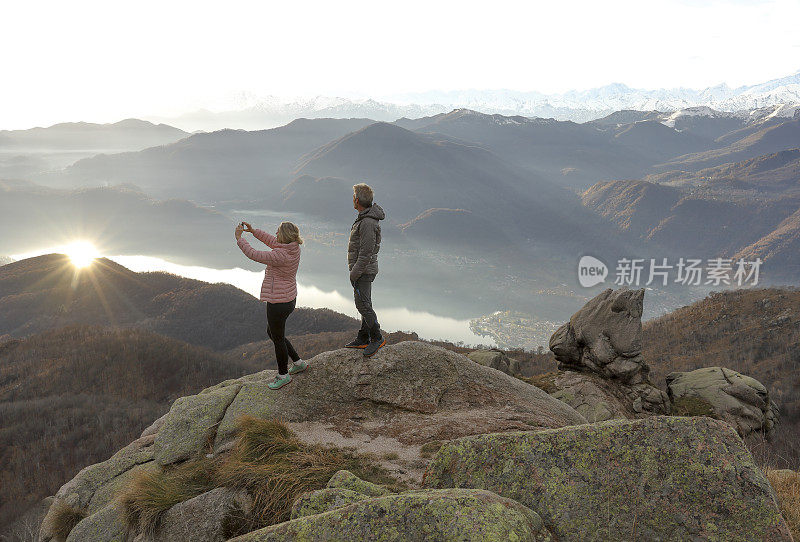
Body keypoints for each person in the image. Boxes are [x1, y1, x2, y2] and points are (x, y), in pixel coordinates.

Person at [235, 220, 307, 390]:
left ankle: (283, 375)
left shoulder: (280, 255)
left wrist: (239, 238)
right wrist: (253, 231)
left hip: (278, 302)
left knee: (278, 338)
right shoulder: (293, 247)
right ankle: (298, 362)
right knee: (274, 333)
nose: (275, 234)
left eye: (277, 232)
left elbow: (254, 254)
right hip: (289, 298)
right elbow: (272, 242)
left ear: (283, 236)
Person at [345, 183, 386, 357]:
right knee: (364, 303)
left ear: (357, 200)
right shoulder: (365, 218)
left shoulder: (368, 222)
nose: (352, 199)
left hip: (363, 271)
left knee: (363, 305)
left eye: (353, 196)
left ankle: (377, 338)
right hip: (363, 270)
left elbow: (366, 252)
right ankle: (363, 337)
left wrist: (354, 272)